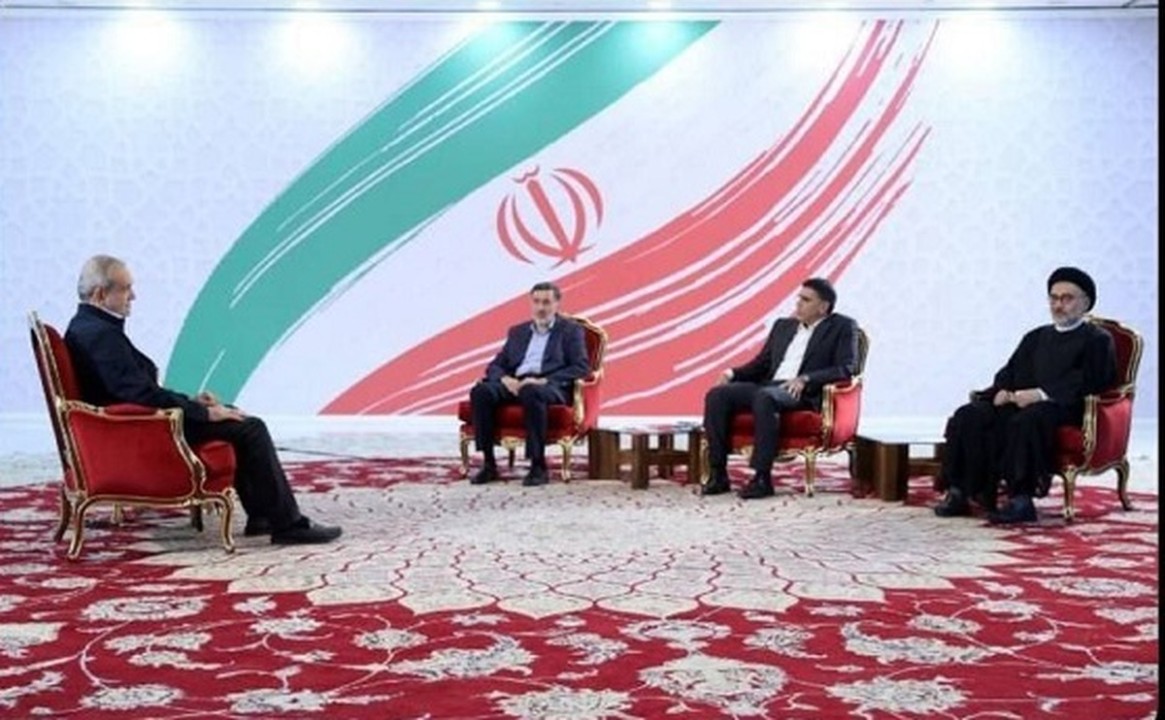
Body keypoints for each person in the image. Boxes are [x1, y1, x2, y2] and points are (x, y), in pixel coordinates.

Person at [64, 255, 342, 545]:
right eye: (126, 288)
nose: (133, 296)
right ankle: (287, 525)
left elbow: (137, 390)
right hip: (141, 431)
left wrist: (195, 403)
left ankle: (263, 516)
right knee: (251, 427)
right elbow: (140, 395)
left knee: (233, 414)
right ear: (100, 294)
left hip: (136, 424)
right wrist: (204, 413)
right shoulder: (100, 335)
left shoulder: (90, 327)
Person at [934, 266, 1117, 524]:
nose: (1058, 305)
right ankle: (961, 491)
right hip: (1024, 403)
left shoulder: (1097, 339)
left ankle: (1021, 500)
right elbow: (1010, 371)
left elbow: (1091, 380)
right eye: (1054, 298)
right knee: (969, 415)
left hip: (1065, 407)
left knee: (1028, 420)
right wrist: (1002, 391)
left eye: (1067, 298)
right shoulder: (1036, 337)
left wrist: (1041, 394)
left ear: (1085, 303)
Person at [701, 278, 859, 499]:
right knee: (717, 395)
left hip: (801, 390)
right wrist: (732, 373)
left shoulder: (842, 327)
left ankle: (762, 478)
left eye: (806, 300)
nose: (798, 303)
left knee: (765, 398)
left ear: (823, 307)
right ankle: (718, 474)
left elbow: (846, 368)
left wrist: (806, 379)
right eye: (799, 298)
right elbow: (762, 364)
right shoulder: (783, 326)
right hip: (769, 386)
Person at [468, 281, 590, 487]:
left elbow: (581, 367)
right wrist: (505, 380)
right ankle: (489, 464)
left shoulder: (570, 331)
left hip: (549, 385)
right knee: (481, 392)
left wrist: (543, 380)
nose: (541, 308)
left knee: (532, 391)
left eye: (546, 302)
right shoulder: (518, 332)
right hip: (517, 382)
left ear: (557, 304)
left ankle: (538, 466)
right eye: (536, 302)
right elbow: (496, 365)